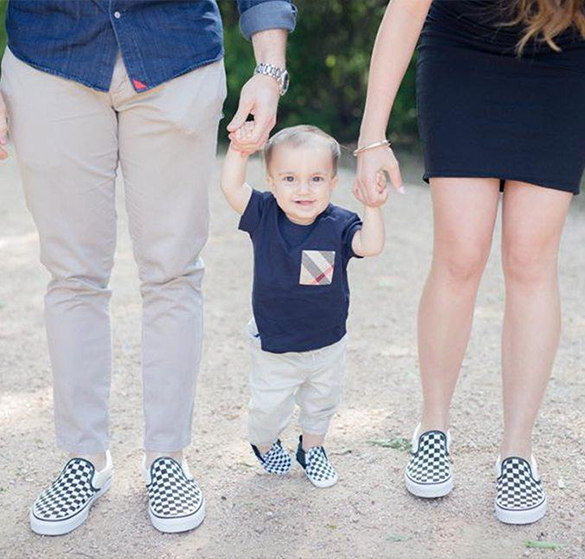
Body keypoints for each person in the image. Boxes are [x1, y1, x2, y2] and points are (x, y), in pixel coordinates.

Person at [0, 0, 296, 535]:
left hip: (175, 56)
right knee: (71, 275)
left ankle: (168, 457)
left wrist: (268, 68)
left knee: (173, 272)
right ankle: (84, 459)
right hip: (48, 58)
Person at [355, 0, 585, 524]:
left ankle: (517, 452)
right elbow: (406, 10)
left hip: (562, 56)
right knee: (460, 255)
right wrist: (372, 138)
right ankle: (432, 427)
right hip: (462, 54)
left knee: (531, 259)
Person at [221, 124, 386, 487]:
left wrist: (372, 207)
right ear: (272, 182)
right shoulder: (265, 214)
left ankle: (312, 449)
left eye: (316, 179)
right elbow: (231, 187)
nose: (303, 189)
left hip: (327, 342)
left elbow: (370, 246)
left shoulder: (339, 224)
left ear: (332, 182)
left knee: (321, 403)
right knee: (268, 409)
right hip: (275, 342)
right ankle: (263, 444)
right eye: (290, 178)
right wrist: (239, 149)